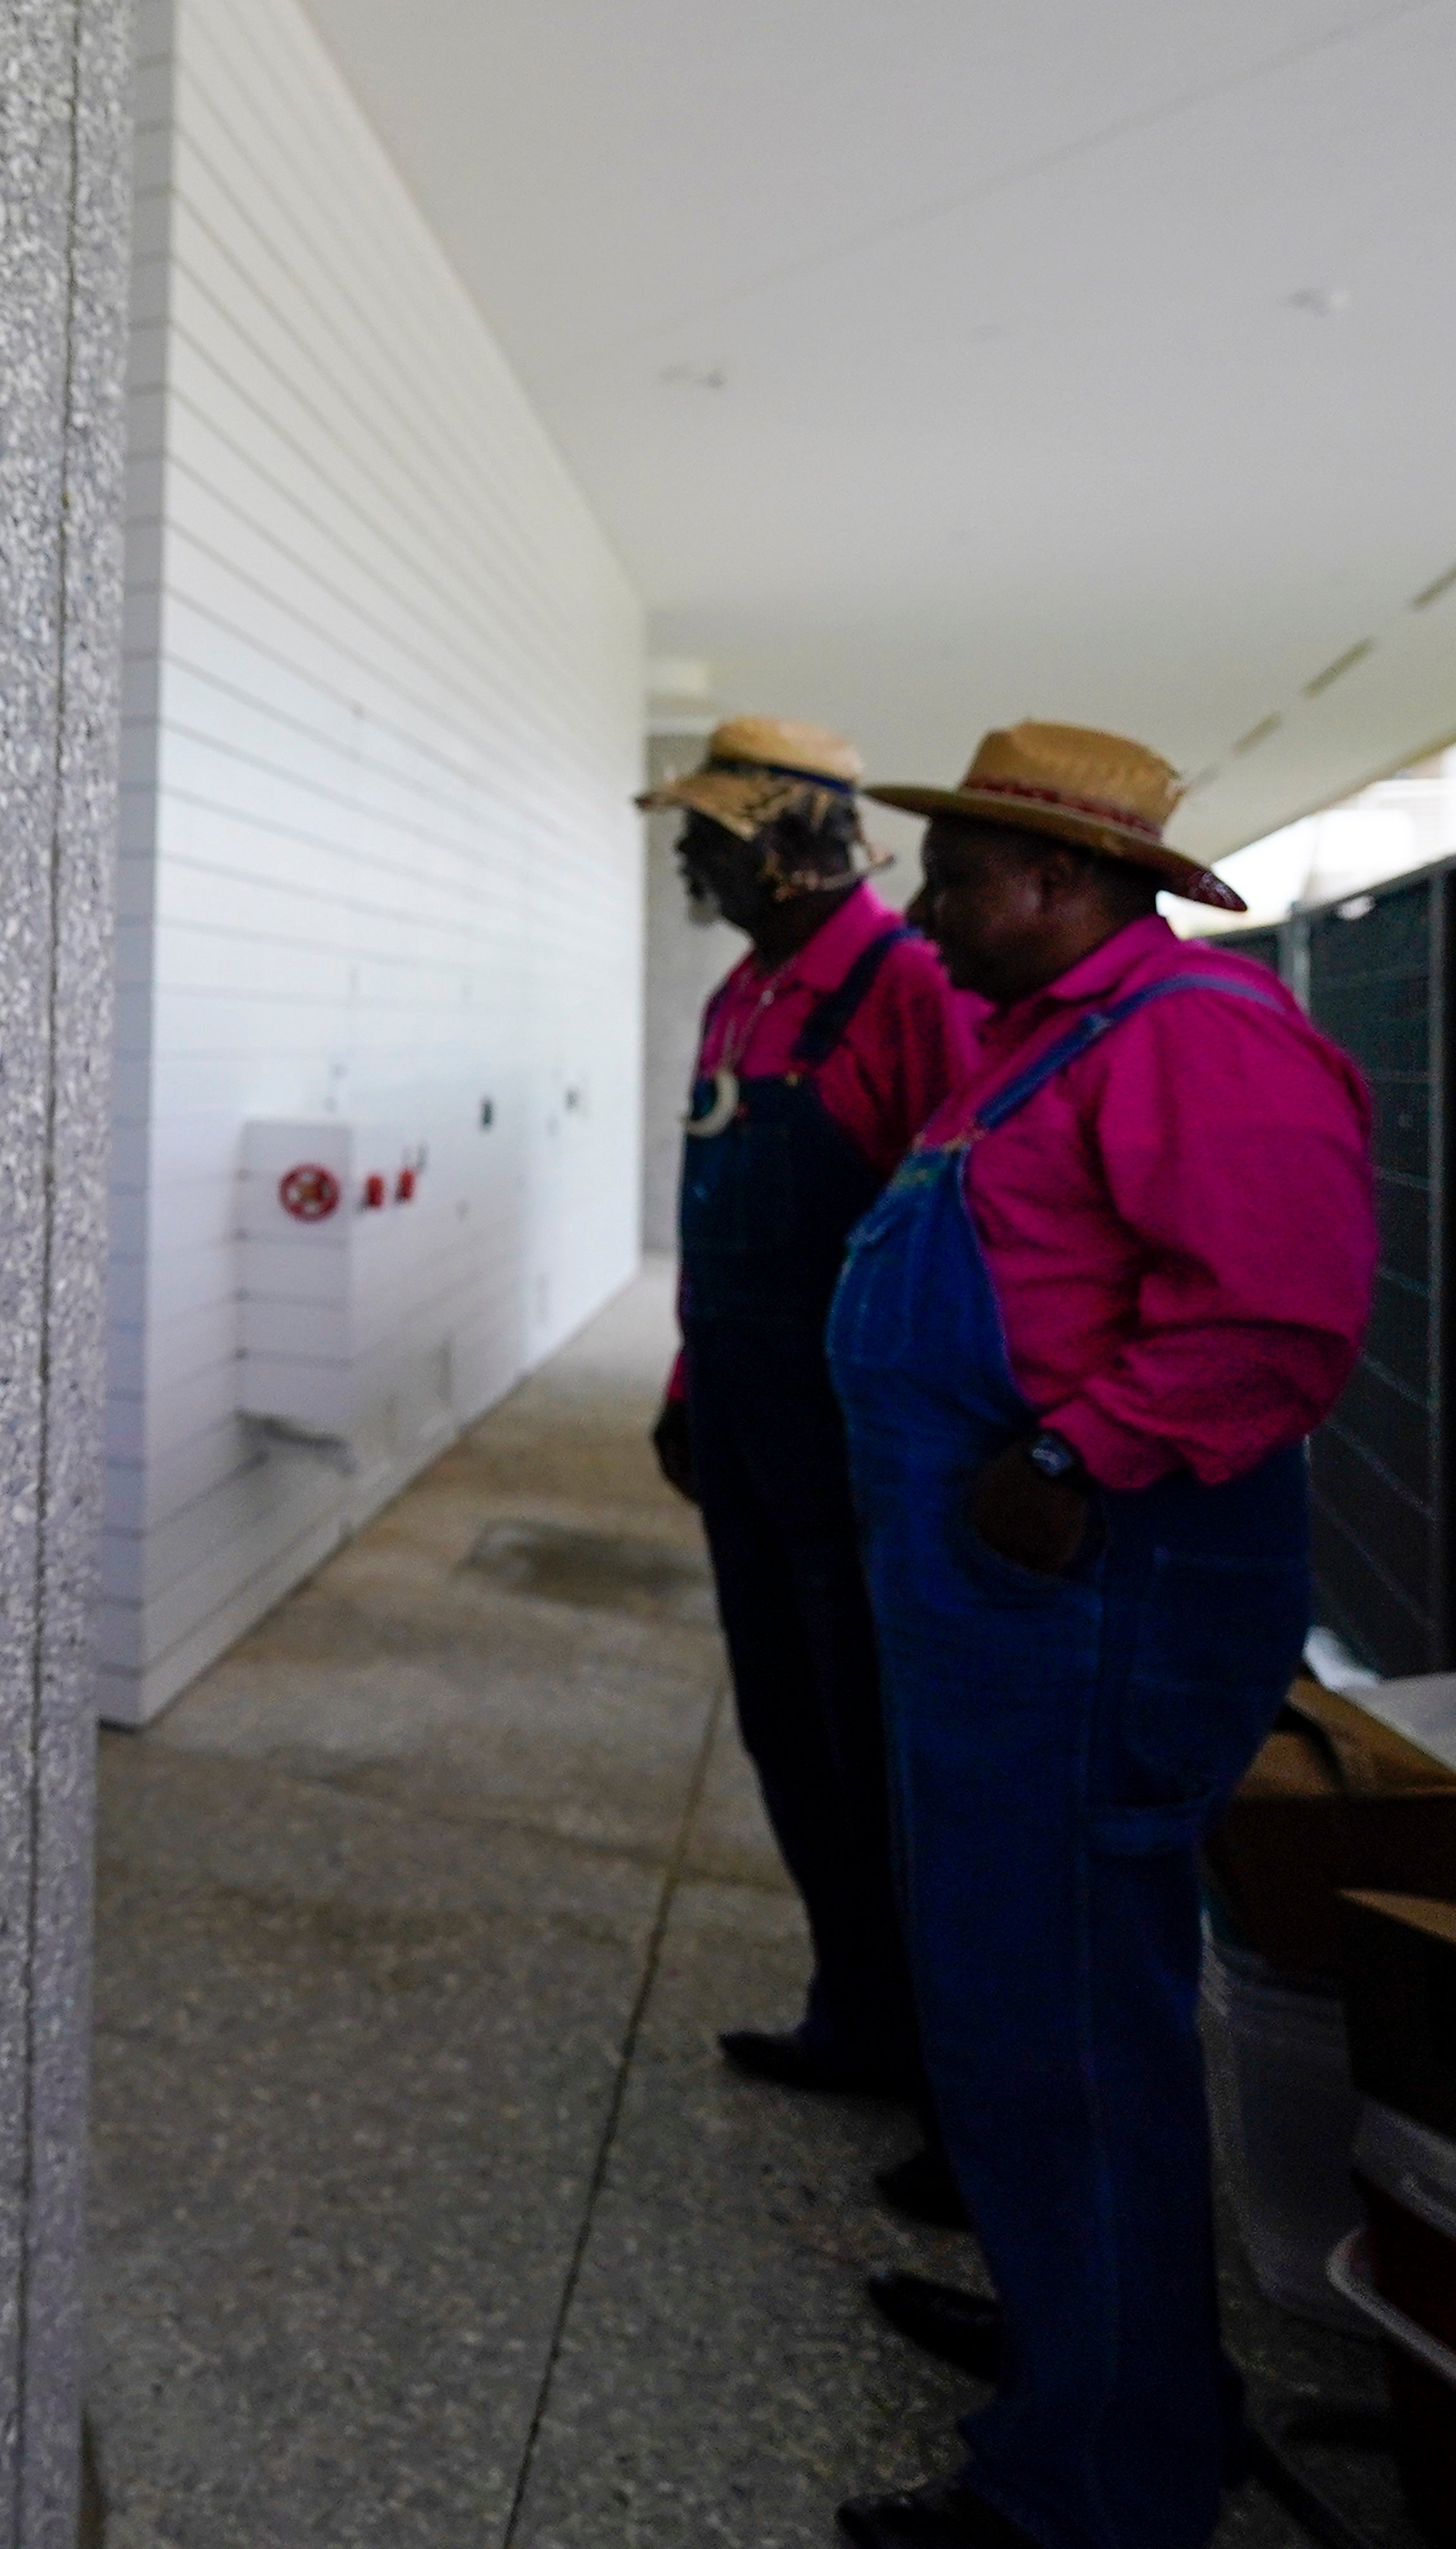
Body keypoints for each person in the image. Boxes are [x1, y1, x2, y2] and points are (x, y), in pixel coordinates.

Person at [825, 723, 1373, 2549]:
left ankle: (1101, 2483)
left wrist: (1073, 1455)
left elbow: (1279, 1318)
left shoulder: (1197, 1037)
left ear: (1064, 883)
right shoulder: (1037, 1044)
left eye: (958, 874)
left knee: (1067, 2031)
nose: (926, 906)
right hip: (995, 1622)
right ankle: (1098, 2351)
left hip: (1087, 1613)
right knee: (1015, 2017)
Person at [640, 717, 965, 2107]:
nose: (684, 854)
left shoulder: (914, 989)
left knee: (874, 1739)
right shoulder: (740, 991)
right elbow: (716, 1218)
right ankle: (857, 2011)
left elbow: (963, 1232)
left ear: (788, 840)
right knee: (782, 1718)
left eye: (708, 831)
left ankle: (944, 2062)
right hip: (739, 1404)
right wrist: (684, 1384)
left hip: (854, 1435)